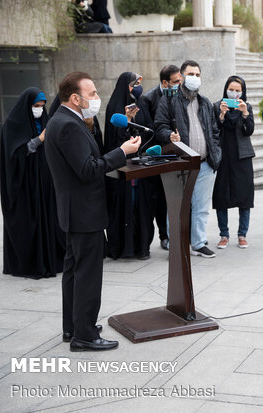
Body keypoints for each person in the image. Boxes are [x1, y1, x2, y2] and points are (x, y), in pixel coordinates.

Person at [45, 71, 141, 351]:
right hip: (83, 212)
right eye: (93, 94)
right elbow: (88, 169)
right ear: (75, 98)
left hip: (76, 211)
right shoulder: (68, 125)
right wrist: (121, 152)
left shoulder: (64, 121)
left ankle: (74, 327)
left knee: (74, 271)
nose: (97, 99)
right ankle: (85, 336)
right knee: (86, 274)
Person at [155, 59, 221, 258]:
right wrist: (169, 136)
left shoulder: (205, 102)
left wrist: (216, 154)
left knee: (201, 208)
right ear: (182, 77)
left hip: (205, 164)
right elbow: (159, 126)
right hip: (180, 163)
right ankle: (175, 244)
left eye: (198, 75)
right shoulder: (169, 100)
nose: (194, 78)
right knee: (176, 207)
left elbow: (214, 131)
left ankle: (198, 243)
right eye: (190, 74)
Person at [0, 87, 65, 279]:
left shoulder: (44, 120)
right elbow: (14, 155)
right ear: (27, 105)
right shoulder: (12, 124)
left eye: (42, 106)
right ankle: (29, 262)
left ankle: (50, 258)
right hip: (24, 186)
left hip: (44, 183)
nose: (39, 110)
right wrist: (39, 140)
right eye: (36, 106)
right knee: (30, 222)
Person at [103, 72, 154, 260]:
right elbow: (114, 140)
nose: (137, 88)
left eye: (140, 84)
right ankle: (123, 248)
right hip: (121, 168)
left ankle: (142, 247)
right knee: (124, 206)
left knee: (141, 207)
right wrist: (127, 119)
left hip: (140, 166)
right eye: (134, 84)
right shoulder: (114, 107)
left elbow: (149, 130)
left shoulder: (142, 105)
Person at [142, 65, 182, 250]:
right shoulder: (149, 98)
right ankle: (163, 236)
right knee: (159, 197)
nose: (179, 84)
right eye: (176, 81)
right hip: (157, 154)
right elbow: (151, 129)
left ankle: (172, 234)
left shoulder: (181, 94)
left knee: (171, 198)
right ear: (165, 82)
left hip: (175, 152)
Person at [212, 76, 255, 248]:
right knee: (221, 196)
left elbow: (249, 131)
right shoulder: (217, 106)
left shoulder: (246, 106)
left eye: (238, 90)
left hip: (242, 156)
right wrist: (222, 115)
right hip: (223, 156)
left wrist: (245, 114)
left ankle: (242, 234)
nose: (235, 93)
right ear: (226, 89)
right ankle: (224, 234)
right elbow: (214, 130)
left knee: (244, 196)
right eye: (232, 89)